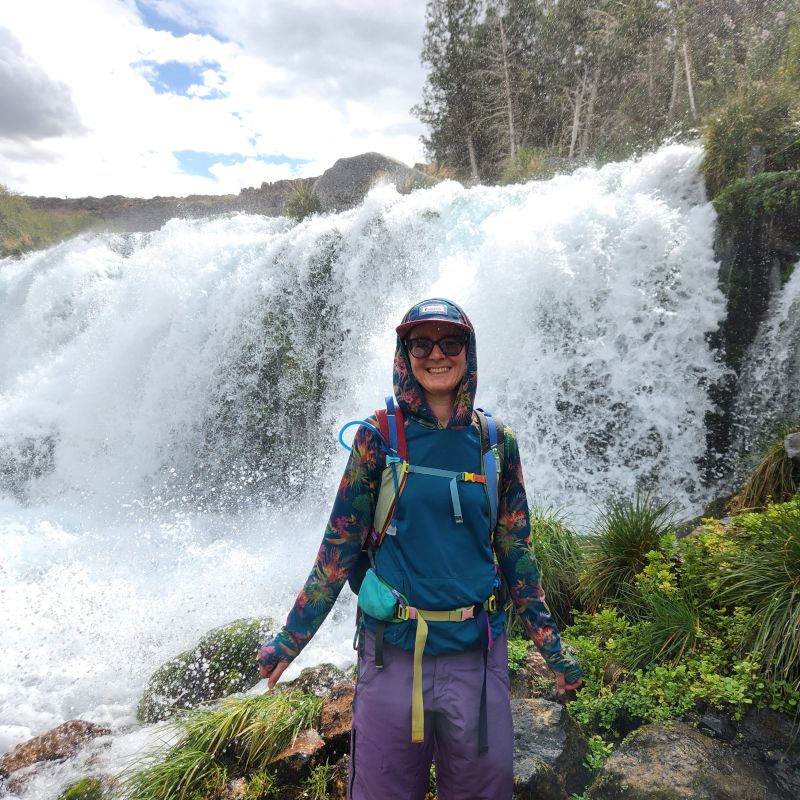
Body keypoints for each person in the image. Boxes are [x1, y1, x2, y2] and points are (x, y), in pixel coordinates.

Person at [257, 298, 583, 800]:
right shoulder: (377, 438)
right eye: (421, 343)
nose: (437, 354)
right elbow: (338, 547)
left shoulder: (495, 443)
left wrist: (553, 649)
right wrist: (290, 639)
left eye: (450, 342)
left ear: (467, 352)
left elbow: (517, 552)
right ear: (404, 353)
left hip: (476, 655)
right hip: (392, 655)